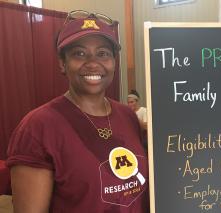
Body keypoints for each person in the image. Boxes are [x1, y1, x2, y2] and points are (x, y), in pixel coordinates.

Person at [6, 10, 149, 213]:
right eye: (79, 53)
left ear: (114, 63)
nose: (92, 62)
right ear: (62, 64)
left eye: (103, 53)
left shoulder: (127, 116)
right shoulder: (38, 127)